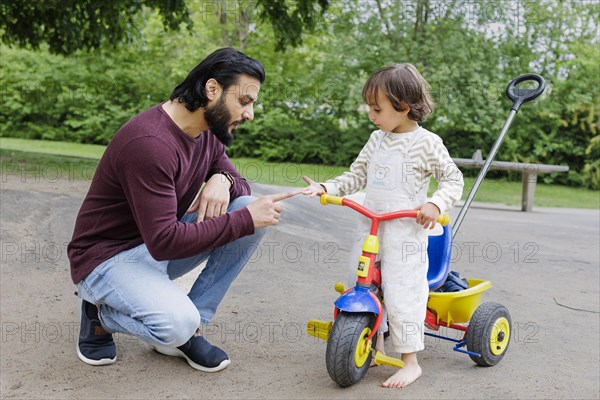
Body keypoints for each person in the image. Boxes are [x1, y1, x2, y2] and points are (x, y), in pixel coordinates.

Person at [68, 48, 299, 372]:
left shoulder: (207, 133)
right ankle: (100, 314)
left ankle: (192, 328)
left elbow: (240, 187)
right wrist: (245, 218)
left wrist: (221, 178)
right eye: (244, 101)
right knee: (247, 217)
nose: (249, 115)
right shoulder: (150, 143)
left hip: (154, 248)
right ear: (212, 89)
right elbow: (165, 241)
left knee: (249, 208)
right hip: (107, 257)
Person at [302, 64, 464, 388]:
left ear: (403, 107)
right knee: (359, 282)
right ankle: (371, 341)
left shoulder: (426, 143)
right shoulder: (376, 140)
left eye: (377, 109)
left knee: (403, 292)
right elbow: (356, 175)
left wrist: (434, 204)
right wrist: (328, 188)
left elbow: (452, 178)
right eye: (370, 108)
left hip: (405, 233)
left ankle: (410, 361)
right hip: (371, 229)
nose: (370, 115)